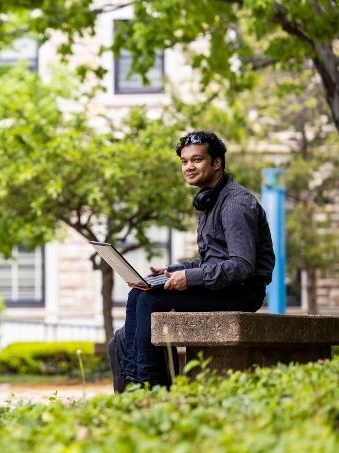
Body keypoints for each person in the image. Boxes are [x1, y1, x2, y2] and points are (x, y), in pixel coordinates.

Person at [114, 131, 275, 390]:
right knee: (139, 292)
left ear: (217, 163)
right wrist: (172, 271)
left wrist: (189, 279)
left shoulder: (235, 204)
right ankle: (134, 380)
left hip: (241, 293)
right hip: (222, 288)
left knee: (150, 300)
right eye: (184, 162)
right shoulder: (210, 201)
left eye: (197, 160)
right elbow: (210, 261)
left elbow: (242, 266)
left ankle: (148, 385)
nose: (189, 167)